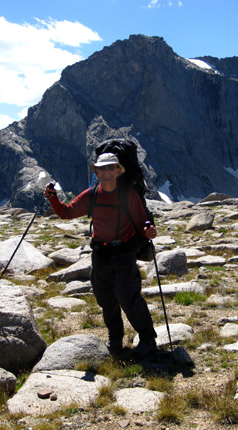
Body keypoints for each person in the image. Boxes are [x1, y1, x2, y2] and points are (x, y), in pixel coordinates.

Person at [44, 152, 158, 359]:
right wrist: (53, 198)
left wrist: (149, 229)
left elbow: (143, 222)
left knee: (127, 297)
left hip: (124, 253)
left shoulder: (129, 195)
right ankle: (115, 339)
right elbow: (66, 212)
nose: (106, 172)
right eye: (102, 169)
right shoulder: (91, 195)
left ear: (117, 170)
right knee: (105, 299)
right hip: (101, 254)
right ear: (97, 172)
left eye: (110, 168)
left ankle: (148, 339)